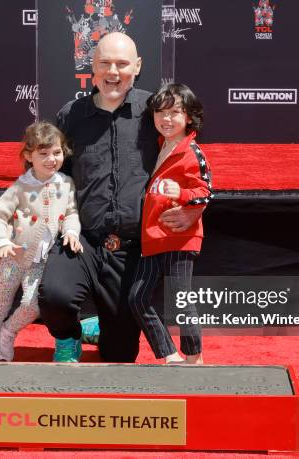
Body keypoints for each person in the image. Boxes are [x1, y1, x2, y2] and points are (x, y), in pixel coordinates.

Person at [38, 32, 204, 363]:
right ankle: (69, 336)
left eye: (122, 64)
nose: (113, 72)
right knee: (55, 296)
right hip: (82, 239)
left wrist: (193, 210)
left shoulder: (155, 112)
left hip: (131, 248)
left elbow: (189, 163)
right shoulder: (70, 115)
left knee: (119, 354)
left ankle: (99, 326)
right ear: (93, 68)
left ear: (137, 66)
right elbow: (55, 176)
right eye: (105, 63)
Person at [0, 121, 82, 362]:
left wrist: (71, 232)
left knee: (33, 304)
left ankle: (8, 332)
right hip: (12, 257)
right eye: (43, 154)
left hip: (40, 262)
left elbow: (71, 212)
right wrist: (2, 241)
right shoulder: (20, 187)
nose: (51, 159)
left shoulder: (66, 183)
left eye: (56, 152)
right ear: (29, 155)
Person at [129, 83, 211, 364]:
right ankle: (169, 354)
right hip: (152, 238)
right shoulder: (159, 146)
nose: (166, 119)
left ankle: (194, 358)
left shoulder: (192, 152)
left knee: (181, 300)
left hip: (179, 237)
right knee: (137, 298)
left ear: (189, 117)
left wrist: (184, 195)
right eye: (160, 112)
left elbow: (206, 192)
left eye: (175, 112)